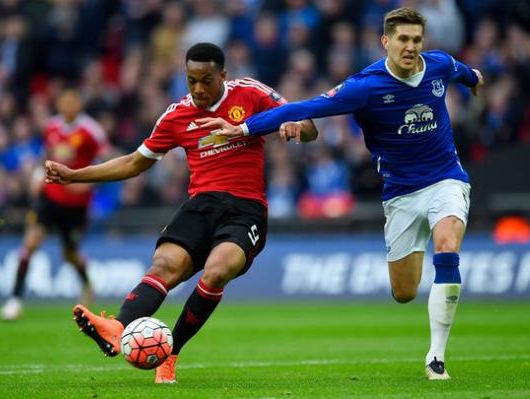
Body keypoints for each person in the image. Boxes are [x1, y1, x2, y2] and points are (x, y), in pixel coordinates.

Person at [197, 7, 484, 380]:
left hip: (447, 178)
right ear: (386, 42)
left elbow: (463, 71)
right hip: (400, 194)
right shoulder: (365, 87)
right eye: (402, 39)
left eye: (416, 39)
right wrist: (245, 127)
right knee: (404, 292)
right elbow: (307, 107)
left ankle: (436, 358)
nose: (410, 47)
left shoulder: (439, 65)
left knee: (446, 247)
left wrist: (474, 78)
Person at [44, 42, 317, 384]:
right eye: (191, 81)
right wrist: (74, 174)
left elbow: (309, 126)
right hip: (200, 205)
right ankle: (116, 327)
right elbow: (132, 163)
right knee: (163, 266)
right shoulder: (176, 115)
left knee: (217, 271)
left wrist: (296, 128)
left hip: (245, 209)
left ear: (223, 75)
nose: (199, 89)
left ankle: (170, 355)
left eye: (206, 80)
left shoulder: (251, 92)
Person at [0, 89, 109, 321]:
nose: (68, 106)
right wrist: (38, 174)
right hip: (49, 197)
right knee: (30, 243)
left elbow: (106, 160)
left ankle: (88, 285)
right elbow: (45, 155)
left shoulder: (91, 131)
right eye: (64, 102)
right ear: (58, 104)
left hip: (76, 205)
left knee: (70, 254)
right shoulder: (51, 127)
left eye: (72, 101)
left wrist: (88, 185)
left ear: (79, 103)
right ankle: (15, 300)